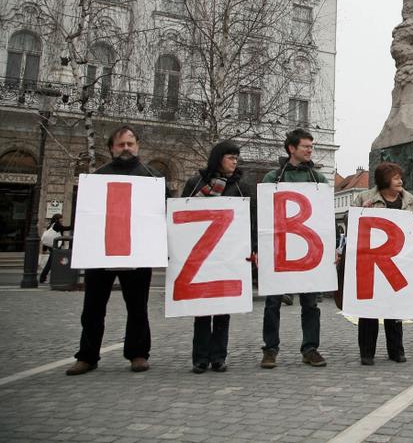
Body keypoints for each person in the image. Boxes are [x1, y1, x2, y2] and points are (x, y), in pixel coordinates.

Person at [66, 126, 165, 375]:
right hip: (102, 252)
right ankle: (87, 355)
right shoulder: (98, 177)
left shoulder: (151, 178)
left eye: (130, 144)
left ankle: (138, 353)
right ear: (111, 148)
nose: (126, 149)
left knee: (138, 307)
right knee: (93, 307)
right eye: (121, 144)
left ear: (138, 146)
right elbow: (87, 216)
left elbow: (160, 215)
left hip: (138, 252)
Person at [180, 140, 254, 373]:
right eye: (231, 157)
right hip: (200, 254)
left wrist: (252, 247)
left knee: (223, 308)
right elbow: (180, 215)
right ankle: (200, 357)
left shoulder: (242, 187)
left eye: (236, 158)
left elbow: (251, 221)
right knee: (202, 309)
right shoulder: (195, 184)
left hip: (229, 254)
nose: (235, 161)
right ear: (218, 158)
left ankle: (219, 356)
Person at [258, 128, 329, 369]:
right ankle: (270, 349)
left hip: (309, 251)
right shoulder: (273, 178)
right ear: (291, 148)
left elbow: (325, 218)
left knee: (311, 303)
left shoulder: (318, 180)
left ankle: (310, 348)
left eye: (311, 146)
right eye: (306, 146)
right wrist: (260, 248)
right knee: (273, 303)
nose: (310, 150)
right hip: (280, 250)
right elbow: (264, 217)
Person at [348, 161, 413, 365]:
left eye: (400, 176)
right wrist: (361, 212)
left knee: (395, 305)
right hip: (371, 261)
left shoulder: (410, 201)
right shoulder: (365, 198)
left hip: (397, 261)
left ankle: (396, 350)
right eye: (395, 176)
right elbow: (352, 225)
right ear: (384, 179)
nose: (400, 180)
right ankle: (367, 352)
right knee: (369, 307)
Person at [39, 213, 71, 283]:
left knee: (54, 262)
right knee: (51, 263)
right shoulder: (56, 224)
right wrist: (74, 226)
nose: (62, 219)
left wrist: (44, 249)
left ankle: (46, 278)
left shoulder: (50, 225)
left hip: (52, 246)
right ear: (57, 219)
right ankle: (44, 278)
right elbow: (65, 228)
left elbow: (47, 239)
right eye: (61, 218)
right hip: (55, 246)